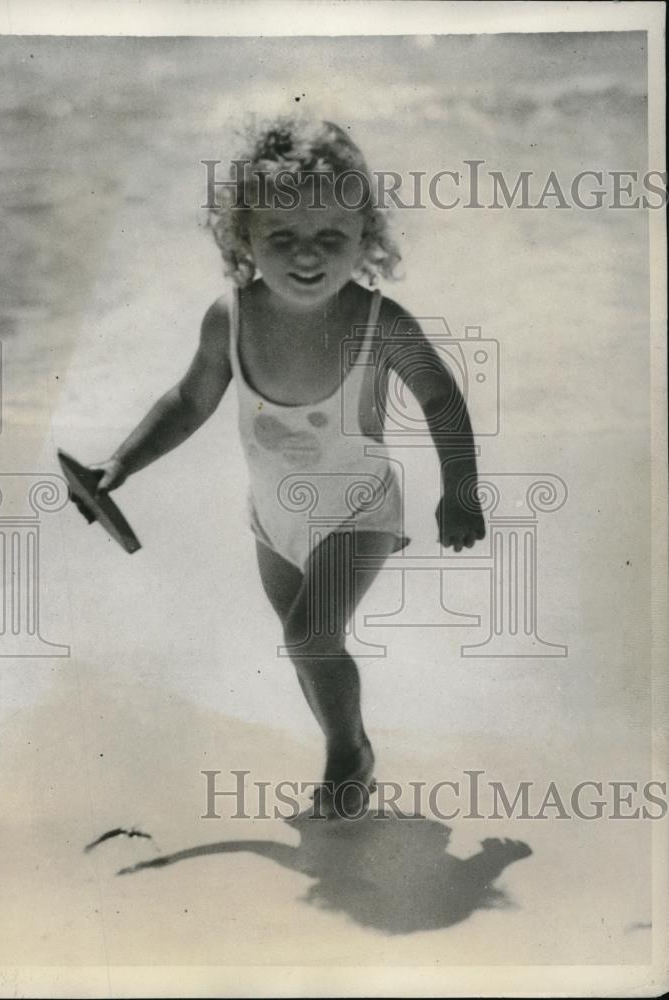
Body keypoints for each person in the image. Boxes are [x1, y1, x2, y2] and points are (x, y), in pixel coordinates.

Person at [80, 117, 485, 818]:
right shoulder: (230, 317)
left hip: (360, 513)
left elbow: (442, 401)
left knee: (309, 635)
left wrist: (459, 493)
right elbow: (187, 401)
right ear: (243, 239)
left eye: (331, 237)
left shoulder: (379, 323)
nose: (307, 256)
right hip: (271, 520)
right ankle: (347, 741)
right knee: (304, 646)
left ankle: (345, 754)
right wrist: (121, 462)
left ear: (366, 239)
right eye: (282, 238)